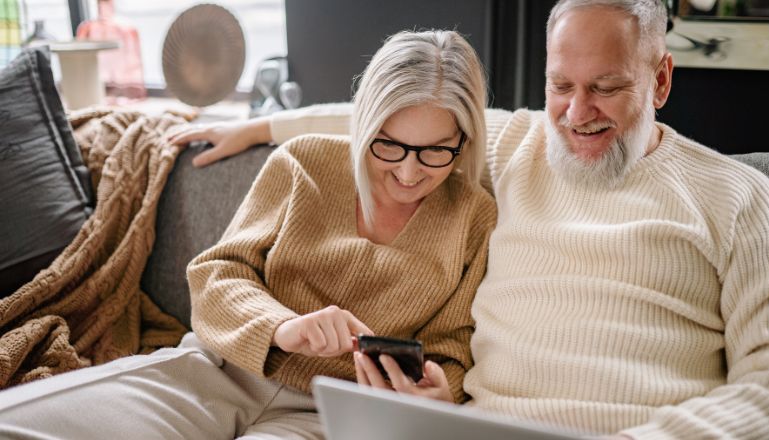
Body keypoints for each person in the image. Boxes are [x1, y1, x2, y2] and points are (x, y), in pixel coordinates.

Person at [174, 1, 769, 439]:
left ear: (660, 80)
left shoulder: (740, 198)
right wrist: (256, 127)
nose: (577, 114)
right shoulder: (519, 144)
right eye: (560, 85)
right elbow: (394, 115)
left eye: (606, 87)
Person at [0, 30, 496, 439]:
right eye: (389, 146)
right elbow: (218, 275)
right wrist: (282, 327)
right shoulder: (304, 162)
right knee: (19, 424)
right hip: (216, 372)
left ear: (463, 141)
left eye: (435, 152)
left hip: (326, 417)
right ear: (364, 125)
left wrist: (440, 394)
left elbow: (452, 345)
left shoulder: (473, 216)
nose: (409, 173)